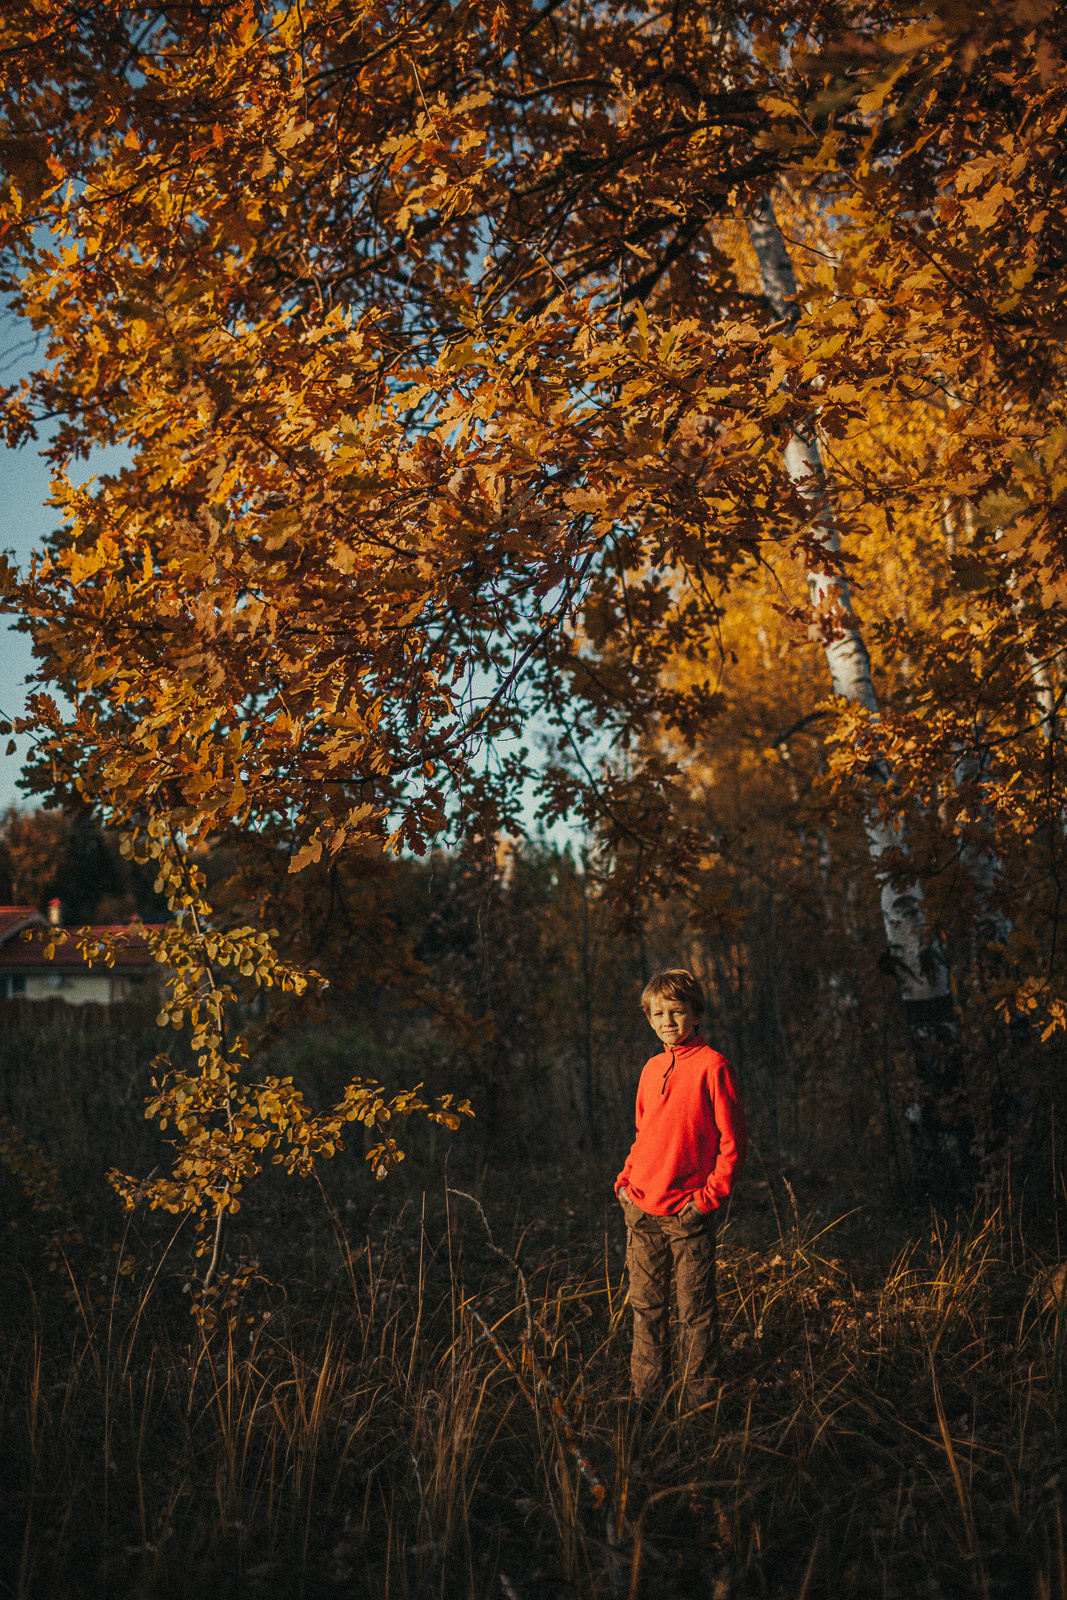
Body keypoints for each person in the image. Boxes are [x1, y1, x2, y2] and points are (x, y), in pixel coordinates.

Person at [616, 968, 747, 1406]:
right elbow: (643, 1131)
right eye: (657, 1013)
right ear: (648, 1019)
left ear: (696, 1013)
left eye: (676, 1011)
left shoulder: (713, 1067)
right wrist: (625, 1181)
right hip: (641, 1208)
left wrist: (706, 1200)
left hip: (687, 1215)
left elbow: (732, 1143)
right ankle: (646, 1399)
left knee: (696, 1314)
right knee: (646, 1310)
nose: (667, 1020)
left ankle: (700, 1406)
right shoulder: (651, 1068)